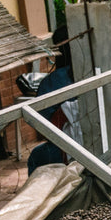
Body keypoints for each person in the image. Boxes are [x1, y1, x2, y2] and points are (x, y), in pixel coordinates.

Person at [27, 24, 83, 174]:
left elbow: (41, 123)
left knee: (36, 156)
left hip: (65, 149)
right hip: (96, 141)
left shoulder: (53, 81)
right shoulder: (92, 71)